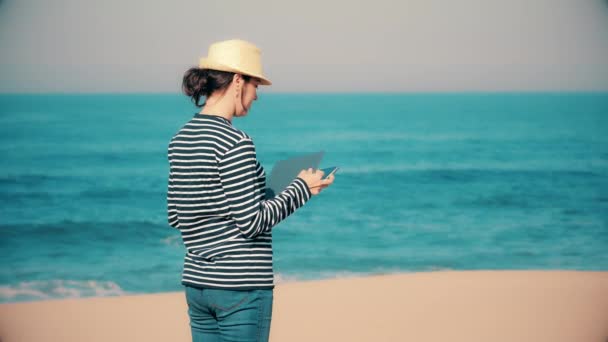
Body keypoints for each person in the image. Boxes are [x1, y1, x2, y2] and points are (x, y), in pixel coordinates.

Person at [167, 39, 335, 342]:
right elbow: (252, 222)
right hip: (239, 288)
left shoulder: (181, 139)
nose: (257, 95)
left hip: (198, 285)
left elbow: (177, 216)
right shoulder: (235, 142)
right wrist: (302, 188)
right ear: (237, 81)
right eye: (256, 84)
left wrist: (268, 195)